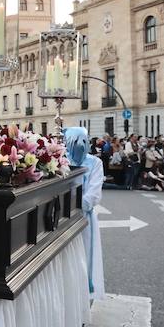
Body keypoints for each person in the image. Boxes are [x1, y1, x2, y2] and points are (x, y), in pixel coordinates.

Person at [63, 127, 105, 299]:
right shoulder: (62, 160)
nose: (79, 146)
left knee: (85, 259)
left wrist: (76, 206)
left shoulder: (94, 162)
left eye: (83, 141)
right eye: (74, 142)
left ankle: (84, 300)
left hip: (84, 219)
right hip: (63, 220)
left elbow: (94, 194)